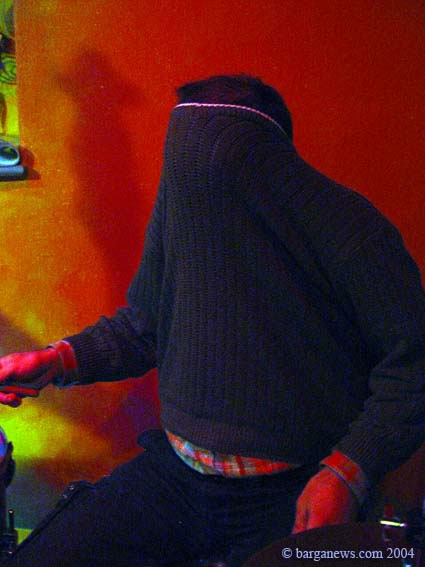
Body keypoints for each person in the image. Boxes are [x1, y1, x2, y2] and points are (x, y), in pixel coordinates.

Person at [0, 74, 424, 567]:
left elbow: (413, 365)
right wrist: (56, 361)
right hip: (175, 476)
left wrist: (348, 472)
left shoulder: (354, 232)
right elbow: (145, 327)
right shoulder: (185, 214)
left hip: (296, 485)